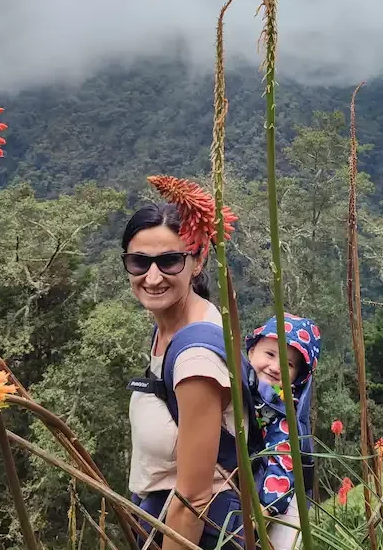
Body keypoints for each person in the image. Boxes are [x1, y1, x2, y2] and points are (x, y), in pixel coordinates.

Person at [123, 188, 247, 550]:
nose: (153, 276)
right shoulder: (167, 328)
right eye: (139, 263)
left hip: (200, 534)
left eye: (170, 261)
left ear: (198, 260)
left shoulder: (195, 359)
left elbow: (194, 499)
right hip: (158, 517)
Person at [245, 314, 321, 550]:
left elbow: (284, 459)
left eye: (288, 364)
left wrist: (266, 508)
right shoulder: (233, 384)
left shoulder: (283, 409)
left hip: (278, 500)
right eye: (269, 354)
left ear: (298, 378)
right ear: (250, 352)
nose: (275, 367)